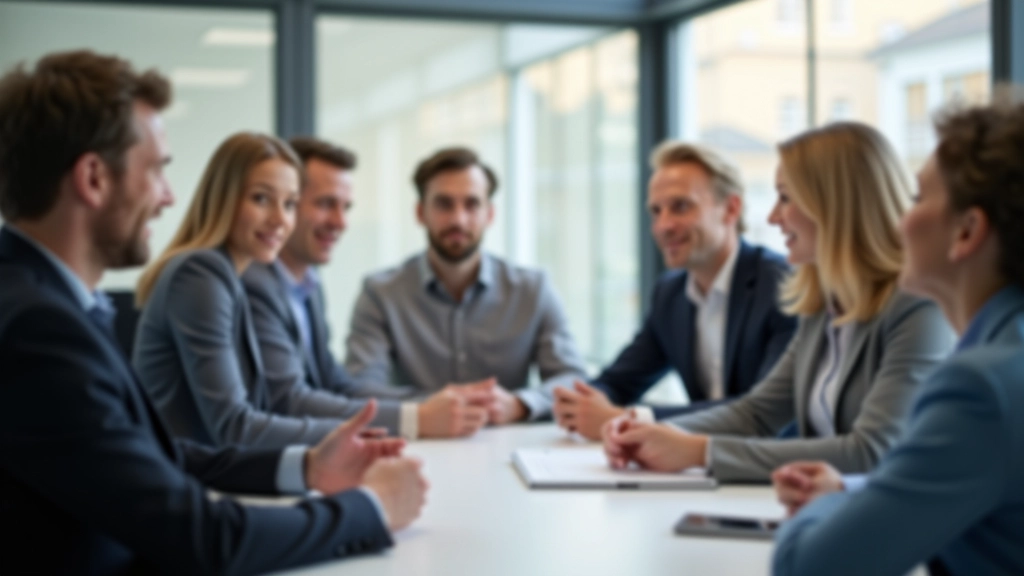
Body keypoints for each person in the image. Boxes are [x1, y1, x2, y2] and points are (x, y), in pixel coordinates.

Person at [0, 50, 427, 575]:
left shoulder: (53, 304)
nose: (168, 196)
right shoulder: (36, 330)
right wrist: (370, 509)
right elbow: (201, 538)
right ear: (93, 178)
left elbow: (153, 455)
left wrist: (310, 466)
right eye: (156, 170)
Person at [602, 122, 956, 482]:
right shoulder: (821, 304)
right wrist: (649, 433)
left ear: (834, 204)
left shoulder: (918, 306)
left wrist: (699, 451)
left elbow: (872, 451)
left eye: (785, 198)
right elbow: (757, 414)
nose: (772, 217)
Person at [771, 100, 1024, 576]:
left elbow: (810, 567)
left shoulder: (982, 389)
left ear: (967, 232)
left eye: (917, 198)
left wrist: (824, 507)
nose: (900, 219)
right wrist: (851, 490)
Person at [243, 137, 494, 439]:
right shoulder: (256, 285)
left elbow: (338, 385)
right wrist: (417, 418)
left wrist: (448, 404)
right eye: (325, 204)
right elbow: (289, 401)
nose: (341, 222)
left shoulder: (307, 286)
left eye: (346, 207)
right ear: (289, 203)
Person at [552, 141, 796, 440]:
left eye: (680, 207)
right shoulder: (671, 293)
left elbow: (760, 412)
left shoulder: (782, 284)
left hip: (772, 464)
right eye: (656, 211)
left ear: (731, 208)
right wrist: (583, 403)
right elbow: (619, 381)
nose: (663, 226)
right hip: (698, 463)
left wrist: (631, 418)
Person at [343, 146, 589, 427]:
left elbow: (573, 380)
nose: (458, 219)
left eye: (472, 204)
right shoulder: (380, 294)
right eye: (444, 204)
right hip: (417, 445)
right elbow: (360, 388)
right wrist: (431, 410)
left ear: (490, 214)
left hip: (510, 443)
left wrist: (519, 404)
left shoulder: (533, 290)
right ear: (420, 212)